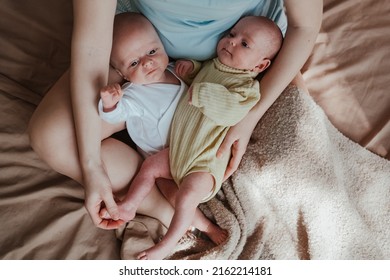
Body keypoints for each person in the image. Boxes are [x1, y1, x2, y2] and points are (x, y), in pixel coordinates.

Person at [28, 0, 322, 231]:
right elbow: (92, 44)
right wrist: (91, 166)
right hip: (137, 49)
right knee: (52, 137)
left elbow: (305, 26)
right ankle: (158, 206)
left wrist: (250, 116)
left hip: (236, 62)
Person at [103, 15, 283, 260]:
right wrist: (191, 70)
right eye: (231, 35)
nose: (231, 42)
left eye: (244, 44)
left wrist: (200, 92)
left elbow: (231, 110)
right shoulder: (212, 65)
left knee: (187, 195)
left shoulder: (247, 88)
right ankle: (131, 205)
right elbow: (199, 76)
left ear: (259, 67)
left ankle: (168, 243)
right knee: (153, 172)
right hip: (176, 151)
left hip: (205, 158)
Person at [98, 12, 227, 242]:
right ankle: (205, 226)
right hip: (163, 157)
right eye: (134, 62)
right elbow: (115, 115)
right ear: (121, 73)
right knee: (173, 195)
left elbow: (199, 80)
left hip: (192, 146)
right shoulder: (133, 94)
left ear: (162, 45)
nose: (148, 62)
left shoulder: (173, 71)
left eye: (152, 51)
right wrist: (110, 103)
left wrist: (191, 67)